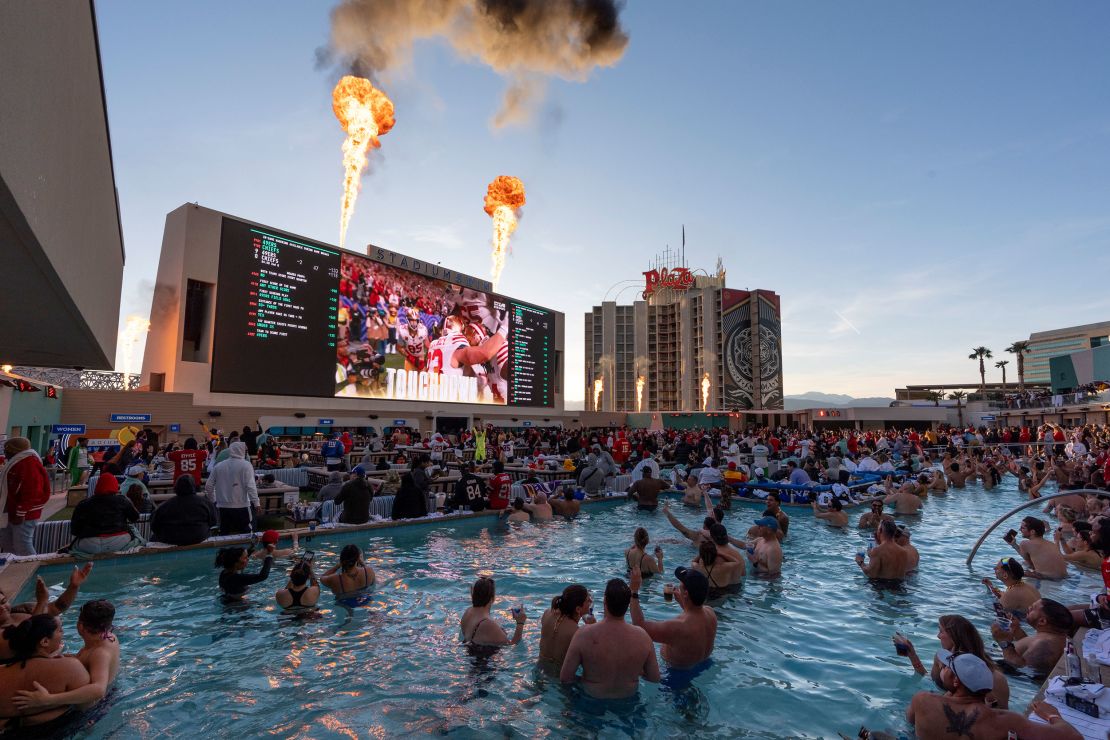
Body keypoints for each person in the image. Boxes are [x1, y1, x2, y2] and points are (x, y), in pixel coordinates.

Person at [906, 652, 1080, 739]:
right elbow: (1072, 736)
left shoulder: (922, 700)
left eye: (946, 667)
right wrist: (1052, 715)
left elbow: (910, 724)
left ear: (956, 681)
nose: (942, 669)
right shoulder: (1006, 721)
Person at [11, 600, 120, 715]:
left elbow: (98, 690)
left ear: (80, 626)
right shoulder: (108, 637)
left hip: (93, 711)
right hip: (105, 697)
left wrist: (48, 699)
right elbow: (89, 662)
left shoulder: (100, 653)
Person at [560, 578, 659, 698]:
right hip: (629, 703)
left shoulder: (583, 634)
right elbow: (654, 678)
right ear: (627, 604)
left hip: (591, 702)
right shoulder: (643, 637)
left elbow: (565, 678)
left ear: (605, 600)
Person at [894, 614, 1010, 709]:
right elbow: (927, 678)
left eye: (941, 631)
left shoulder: (991, 677)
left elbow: (999, 714)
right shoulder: (941, 658)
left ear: (954, 636)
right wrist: (912, 655)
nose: (938, 636)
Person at [0, 615, 90, 733]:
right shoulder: (70, 667)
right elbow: (86, 707)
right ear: (45, 641)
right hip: (58, 730)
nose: (62, 632)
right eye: (59, 630)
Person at [629, 566, 717, 668]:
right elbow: (694, 614)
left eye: (681, 584)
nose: (678, 585)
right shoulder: (711, 613)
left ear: (686, 593)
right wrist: (683, 601)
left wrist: (634, 591)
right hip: (705, 665)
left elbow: (639, 625)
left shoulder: (677, 627)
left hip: (676, 675)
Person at [990, 598, 1072, 674]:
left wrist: (1004, 643)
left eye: (1032, 608)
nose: (1029, 608)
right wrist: (1017, 630)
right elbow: (1030, 649)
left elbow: (1023, 670)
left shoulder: (1046, 644)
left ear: (1042, 621)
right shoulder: (1051, 637)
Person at [1, 437, 51, 556]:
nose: (4, 453)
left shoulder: (28, 464)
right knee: (7, 543)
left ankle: (30, 571)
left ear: (14, 451)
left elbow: (32, 492)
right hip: (11, 511)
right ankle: (12, 570)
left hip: (24, 514)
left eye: (6, 450)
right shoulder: (18, 462)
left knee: (22, 546)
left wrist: (21, 513)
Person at [69, 474, 142, 555]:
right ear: (115, 486)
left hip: (89, 544)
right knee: (134, 531)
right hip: (119, 542)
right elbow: (135, 518)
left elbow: (75, 530)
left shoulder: (83, 504)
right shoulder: (122, 500)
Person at [204, 441, 259, 536]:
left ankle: (223, 550)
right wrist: (256, 503)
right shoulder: (246, 465)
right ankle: (248, 550)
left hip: (223, 506)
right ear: (241, 451)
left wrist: (214, 500)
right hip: (242, 505)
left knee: (224, 533)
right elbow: (251, 486)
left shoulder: (219, 466)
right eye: (245, 450)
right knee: (247, 534)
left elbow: (208, 486)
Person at [149, 475, 218, 546]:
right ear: (194, 487)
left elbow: (154, 525)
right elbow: (214, 521)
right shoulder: (205, 503)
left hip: (170, 539)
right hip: (199, 537)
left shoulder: (165, 506)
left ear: (176, 488)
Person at [538, 584, 595, 669]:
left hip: (539, 668)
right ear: (578, 609)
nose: (591, 601)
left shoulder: (547, 613)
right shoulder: (576, 632)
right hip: (558, 678)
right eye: (588, 600)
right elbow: (591, 659)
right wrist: (592, 628)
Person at [460, 576, 526, 646]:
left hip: (469, 651)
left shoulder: (468, 612)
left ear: (473, 595)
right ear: (492, 598)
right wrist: (520, 623)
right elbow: (512, 644)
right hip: (483, 656)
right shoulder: (488, 624)